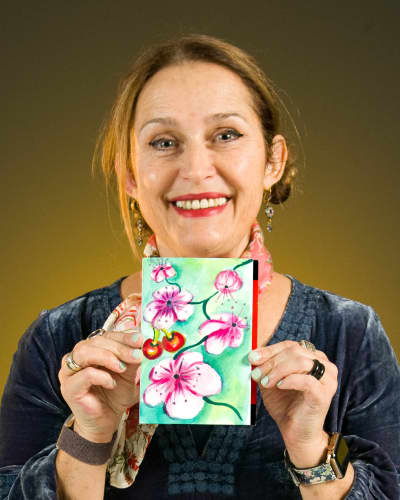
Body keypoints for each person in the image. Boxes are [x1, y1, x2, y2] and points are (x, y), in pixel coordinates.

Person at [0, 34, 399, 500]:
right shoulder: (57, 339)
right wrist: (87, 436)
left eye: (226, 135)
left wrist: (312, 448)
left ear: (273, 161)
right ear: (130, 174)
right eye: (164, 141)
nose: (195, 168)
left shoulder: (351, 333)